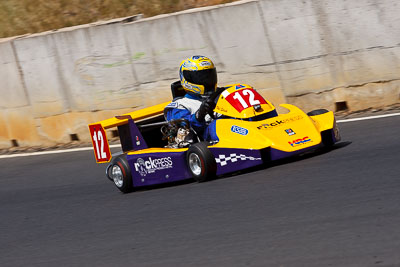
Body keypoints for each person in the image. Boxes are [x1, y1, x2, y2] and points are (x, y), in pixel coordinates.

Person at [164, 55, 219, 142]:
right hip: (206, 144)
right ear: (187, 79)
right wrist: (199, 115)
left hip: (233, 129)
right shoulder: (179, 105)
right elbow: (184, 129)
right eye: (201, 78)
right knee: (216, 124)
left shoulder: (220, 94)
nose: (207, 81)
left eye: (209, 76)